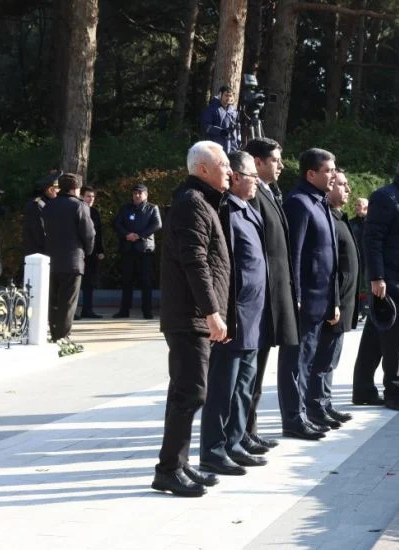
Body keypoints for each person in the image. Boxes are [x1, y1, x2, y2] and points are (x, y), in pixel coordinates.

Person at [153, 141, 232, 497]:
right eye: (224, 164)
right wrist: (211, 312)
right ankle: (169, 470)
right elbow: (195, 263)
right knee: (190, 392)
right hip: (189, 317)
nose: (230, 171)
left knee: (187, 391)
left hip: (193, 316)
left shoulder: (200, 201)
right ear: (202, 169)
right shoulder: (191, 204)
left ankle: (179, 465)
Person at [199, 151, 268, 476]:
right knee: (224, 386)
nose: (256, 181)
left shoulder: (247, 209)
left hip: (253, 313)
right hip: (234, 312)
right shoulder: (226, 211)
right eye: (251, 175)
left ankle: (235, 441)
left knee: (243, 385)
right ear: (236, 177)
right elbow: (220, 266)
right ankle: (213, 450)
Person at [352, 156, 399, 412]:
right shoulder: (386, 197)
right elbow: (372, 240)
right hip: (388, 282)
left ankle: (363, 389)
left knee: (375, 336)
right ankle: (394, 393)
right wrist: (377, 277)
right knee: (394, 337)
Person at [279, 148, 339, 440]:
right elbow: (295, 255)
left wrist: (334, 299)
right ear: (311, 174)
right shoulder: (300, 203)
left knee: (308, 360)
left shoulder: (320, 202)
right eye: (328, 170)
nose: (334, 175)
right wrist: (296, 296)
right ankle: (293, 418)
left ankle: (303, 413)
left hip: (322, 299)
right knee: (296, 361)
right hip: (305, 300)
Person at [243, 137, 297, 450]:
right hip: (259, 297)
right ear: (258, 162)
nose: (281, 166)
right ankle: (242, 432)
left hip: (272, 294)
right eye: (276, 160)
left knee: (258, 369)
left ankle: (250, 430)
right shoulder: (252, 196)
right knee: (249, 372)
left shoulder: (269, 192)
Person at [307, 169, 360, 429]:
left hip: (344, 301)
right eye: (342, 184)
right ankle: (316, 406)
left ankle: (325, 403)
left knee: (332, 358)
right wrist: (335, 300)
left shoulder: (339, 217)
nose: (347, 189)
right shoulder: (327, 217)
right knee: (322, 359)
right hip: (333, 302)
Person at [42, 174, 95, 343]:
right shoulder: (80, 206)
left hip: (51, 259)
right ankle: (62, 336)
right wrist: (88, 251)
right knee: (68, 302)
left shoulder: (49, 205)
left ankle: (54, 331)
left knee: (53, 300)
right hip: (72, 260)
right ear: (75, 189)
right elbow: (88, 233)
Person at [112, 185, 162, 319]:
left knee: (146, 281)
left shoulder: (152, 208)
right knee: (126, 281)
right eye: (135, 193)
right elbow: (117, 224)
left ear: (146, 194)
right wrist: (126, 234)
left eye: (140, 193)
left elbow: (157, 225)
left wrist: (139, 235)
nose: (137, 195)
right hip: (128, 249)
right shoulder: (125, 208)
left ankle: (147, 311)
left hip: (145, 249)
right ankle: (124, 311)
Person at [76, 186, 105, 319]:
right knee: (76, 283)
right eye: (88, 196)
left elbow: (98, 234)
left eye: (93, 197)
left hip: (92, 252)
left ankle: (88, 309)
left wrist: (100, 250)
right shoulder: (77, 209)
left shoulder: (95, 212)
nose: (91, 199)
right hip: (78, 251)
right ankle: (73, 311)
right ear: (81, 196)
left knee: (89, 283)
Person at [22, 171, 60, 256]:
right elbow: (40, 233)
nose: (59, 191)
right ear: (50, 189)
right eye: (57, 188)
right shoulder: (36, 205)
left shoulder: (50, 203)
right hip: (38, 254)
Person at [201, 84, 240, 154]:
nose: (228, 98)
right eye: (226, 95)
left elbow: (236, 131)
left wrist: (236, 146)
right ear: (220, 95)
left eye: (230, 96)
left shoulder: (234, 111)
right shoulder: (212, 109)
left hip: (231, 149)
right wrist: (220, 131)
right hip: (215, 148)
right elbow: (206, 126)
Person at [351, 197, 369, 320]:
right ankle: (358, 310)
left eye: (360, 204)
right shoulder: (351, 222)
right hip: (356, 258)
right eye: (356, 204)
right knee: (357, 285)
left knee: (367, 285)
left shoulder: (371, 222)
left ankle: (367, 309)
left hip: (368, 258)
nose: (357, 207)